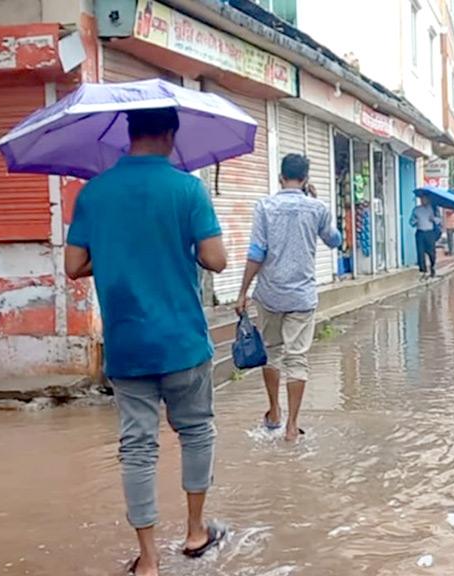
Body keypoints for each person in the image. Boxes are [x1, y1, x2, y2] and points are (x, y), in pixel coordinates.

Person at [65, 107, 229, 575]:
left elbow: (74, 266)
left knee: (137, 446)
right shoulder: (187, 188)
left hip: (127, 344)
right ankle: (196, 532)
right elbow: (215, 259)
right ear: (171, 135)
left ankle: (150, 561)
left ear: (128, 134)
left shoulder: (93, 193)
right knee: (196, 431)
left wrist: (118, 255)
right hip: (182, 342)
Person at [235, 154, 342, 442]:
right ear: (305, 179)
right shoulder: (317, 208)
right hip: (302, 296)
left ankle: (274, 412)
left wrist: (242, 291)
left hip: (270, 294)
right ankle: (293, 426)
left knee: (271, 352)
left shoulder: (265, 207)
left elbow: (256, 253)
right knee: (298, 358)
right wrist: (319, 206)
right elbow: (335, 241)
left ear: (281, 177)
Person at [410, 194, 441, 278]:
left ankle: (432, 266)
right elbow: (411, 222)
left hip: (430, 233)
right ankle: (423, 270)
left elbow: (439, 220)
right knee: (420, 252)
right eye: (421, 199)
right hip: (420, 232)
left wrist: (433, 219)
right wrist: (414, 221)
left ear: (428, 199)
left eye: (425, 199)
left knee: (431, 252)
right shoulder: (416, 210)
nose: (423, 200)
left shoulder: (433, 209)